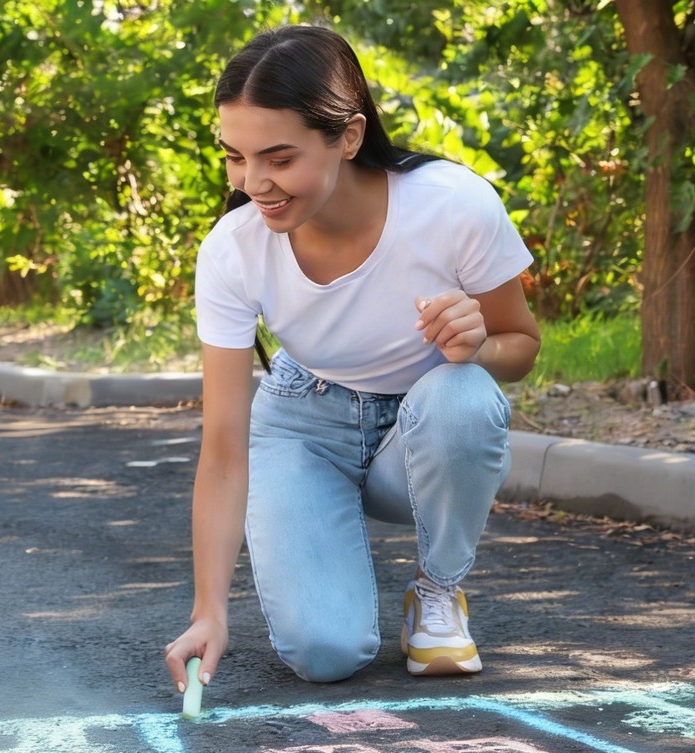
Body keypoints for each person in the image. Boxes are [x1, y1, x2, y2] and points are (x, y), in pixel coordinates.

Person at [164, 23, 540, 692]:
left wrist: (477, 346)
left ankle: (436, 593)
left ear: (349, 135)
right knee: (325, 653)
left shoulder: (453, 206)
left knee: (465, 395)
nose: (255, 182)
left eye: (280, 158)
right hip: (304, 427)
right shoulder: (232, 248)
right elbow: (222, 452)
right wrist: (209, 612)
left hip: (421, 432)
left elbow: (522, 348)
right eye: (235, 157)